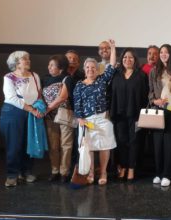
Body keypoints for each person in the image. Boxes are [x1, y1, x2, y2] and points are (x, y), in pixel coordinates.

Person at [73, 39, 117, 185]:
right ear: (84, 69)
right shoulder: (79, 85)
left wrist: (112, 47)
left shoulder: (102, 80)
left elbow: (111, 66)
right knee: (89, 147)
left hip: (103, 119)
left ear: (97, 69)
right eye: (88, 67)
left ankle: (103, 172)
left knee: (105, 147)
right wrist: (79, 119)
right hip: (86, 121)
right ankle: (91, 173)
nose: (90, 70)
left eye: (93, 67)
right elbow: (77, 104)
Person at [0, 51, 43, 187]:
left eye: (28, 58)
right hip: (13, 113)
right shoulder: (9, 77)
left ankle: (27, 171)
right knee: (14, 145)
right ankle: (12, 174)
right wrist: (31, 109)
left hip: (32, 112)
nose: (28, 61)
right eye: (25, 59)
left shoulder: (35, 76)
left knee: (29, 143)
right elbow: (11, 98)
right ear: (16, 63)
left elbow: (39, 94)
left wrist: (39, 108)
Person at [110, 48, 149, 182]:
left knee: (134, 141)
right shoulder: (116, 74)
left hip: (136, 116)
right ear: (121, 60)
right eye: (125, 57)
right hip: (119, 115)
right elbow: (111, 94)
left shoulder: (141, 75)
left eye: (131, 57)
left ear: (135, 60)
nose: (128, 60)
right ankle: (124, 167)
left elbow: (145, 96)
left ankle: (132, 168)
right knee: (121, 141)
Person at [148, 44, 171, 187]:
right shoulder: (154, 71)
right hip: (157, 109)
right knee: (157, 144)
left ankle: (168, 174)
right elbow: (150, 91)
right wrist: (155, 101)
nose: (163, 54)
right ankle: (158, 173)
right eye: (161, 52)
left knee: (169, 143)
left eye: (166, 52)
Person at [42, 54, 74, 183]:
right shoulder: (45, 78)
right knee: (53, 145)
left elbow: (62, 97)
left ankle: (64, 172)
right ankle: (55, 171)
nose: (49, 67)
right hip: (49, 117)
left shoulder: (67, 78)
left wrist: (47, 109)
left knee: (66, 144)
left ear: (60, 68)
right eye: (49, 65)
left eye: (52, 65)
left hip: (64, 114)